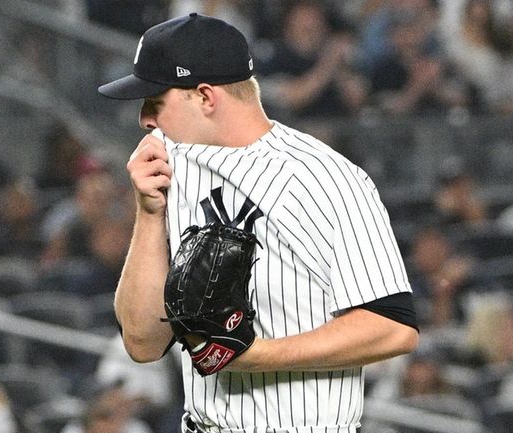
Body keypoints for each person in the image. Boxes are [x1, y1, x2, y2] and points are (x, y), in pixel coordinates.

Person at [99, 13, 419, 433]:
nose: (144, 119)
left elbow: (393, 328)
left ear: (207, 97)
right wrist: (149, 211)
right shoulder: (169, 168)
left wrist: (253, 355)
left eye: (155, 102)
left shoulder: (324, 178)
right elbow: (142, 343)